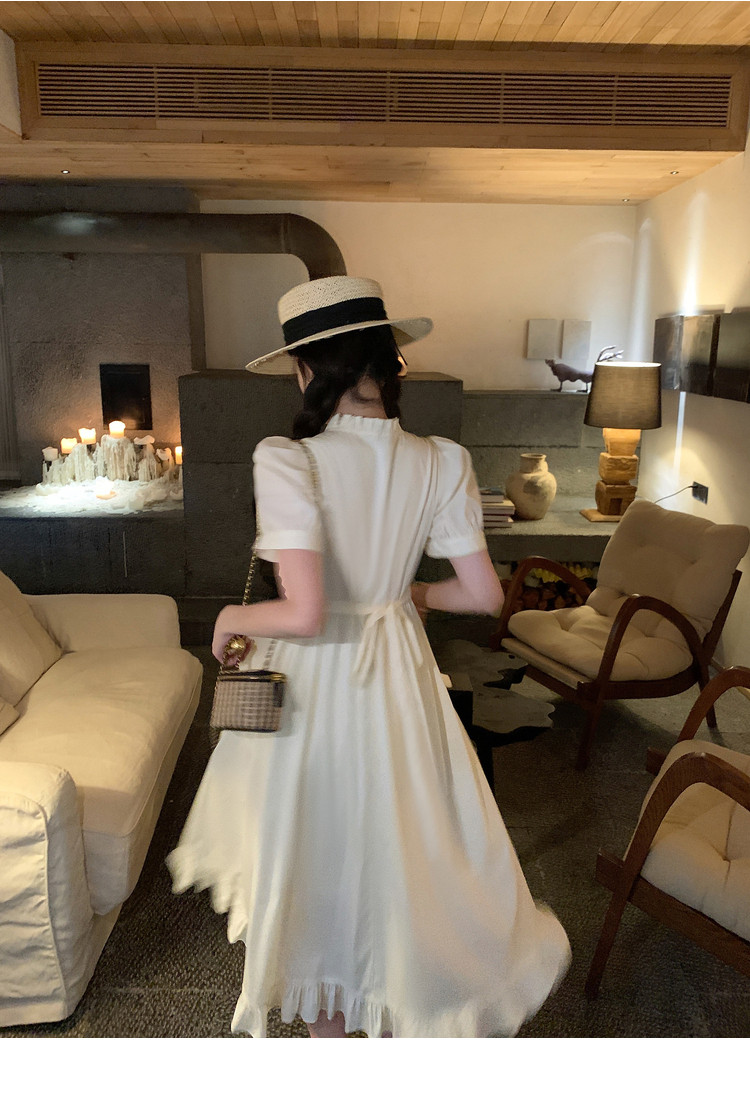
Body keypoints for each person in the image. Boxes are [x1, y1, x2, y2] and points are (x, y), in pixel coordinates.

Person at [167, 275, 570, 1039]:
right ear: (388, 363)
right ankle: (401, 999)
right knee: (400, 843)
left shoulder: (289, 460)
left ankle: (332, 1031)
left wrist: (230, 615)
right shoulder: (443, 459)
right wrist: (411, 594)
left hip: (314, 684)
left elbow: (305, 611)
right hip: (400, 676)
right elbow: (483, 594)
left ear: (305, 370)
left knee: (318, 846)